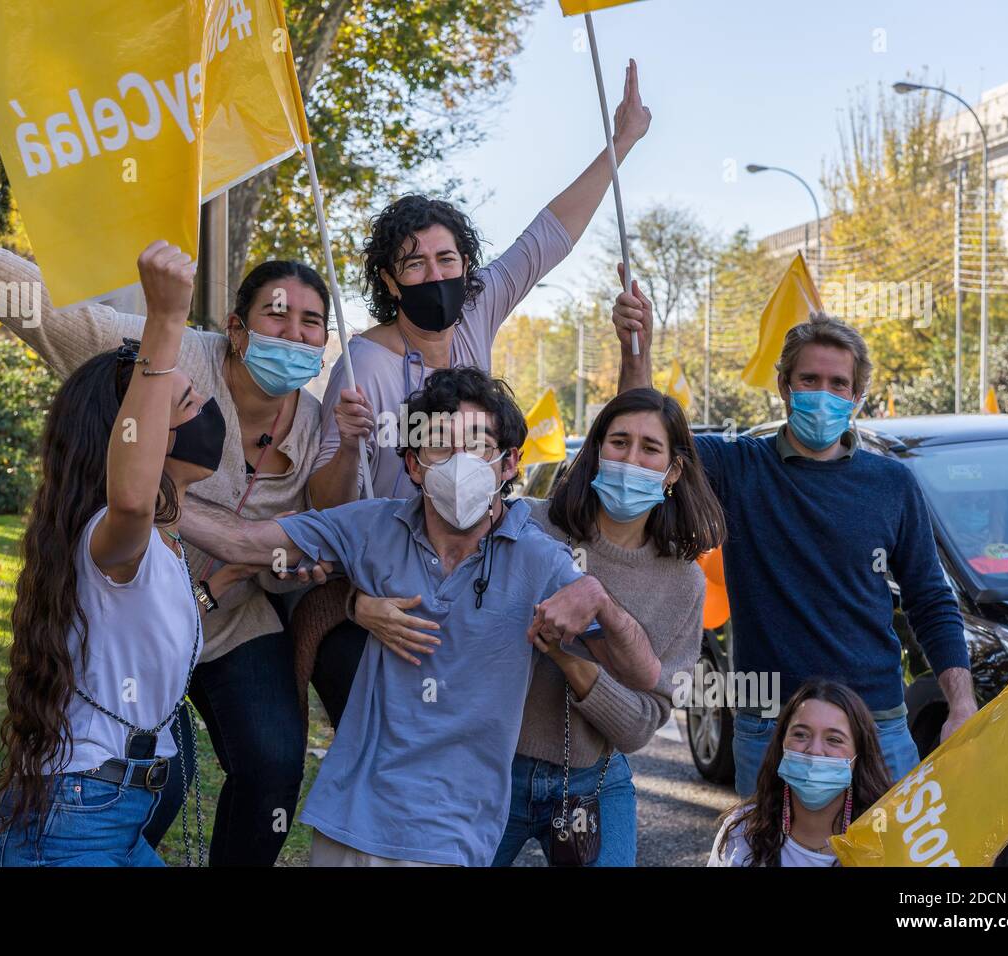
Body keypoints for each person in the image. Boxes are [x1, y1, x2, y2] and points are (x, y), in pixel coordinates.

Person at [0, 164, 373, 865]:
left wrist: (283, 559)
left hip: (218, 617)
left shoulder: (318, 423)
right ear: (234, 328)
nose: (293, 331)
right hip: (123, 628)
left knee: (273, 763)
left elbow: (319, 532)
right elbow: (44, 310)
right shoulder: (162, 360)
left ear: (324, 342)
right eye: (275, 314)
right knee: (154, 785)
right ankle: (76, 841)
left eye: (311, 321)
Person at [298, 60, 655, 728]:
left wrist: (622, 141)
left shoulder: (478, 312)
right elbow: (323, 501)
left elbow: (549, 236)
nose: (434, 274)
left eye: (447, 259)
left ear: (467, 268)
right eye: (414, 263)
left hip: (474, 578)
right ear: (389, 279)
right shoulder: (363, 364)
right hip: (387, 590)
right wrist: (348, 444)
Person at [188, 367, 659, 865]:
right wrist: (152, 499)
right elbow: (242, 542)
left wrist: (601, 601)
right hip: (347, 820)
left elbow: (642, 675)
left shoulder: (542, 561)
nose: (460, 463)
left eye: (478, 445)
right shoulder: (372, 526)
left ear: (508, 463)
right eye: (439, 446)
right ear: (414, 464)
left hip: (449, 835)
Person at [614, 285, 977, 799]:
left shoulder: (892, 484)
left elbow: (931, 600)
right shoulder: (738, 468)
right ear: (784, 386)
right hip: (772, 726)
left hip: (878, 726)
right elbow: (645, 433)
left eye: (838, 384)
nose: (823, 394)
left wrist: (960, 704)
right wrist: (637, 350)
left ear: (856, 396)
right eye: (810, 380)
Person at [351, 388, 725, 866]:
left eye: (650, 448)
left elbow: (638, 725)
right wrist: (357, 604)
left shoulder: (683, 581)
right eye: (618, 442)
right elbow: (424, 568)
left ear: (673, 471)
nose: (630, 459)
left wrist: (569, 658)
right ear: (594, 452)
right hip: (487, 768)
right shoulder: (528, 523)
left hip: (594, 781)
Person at [0, 241, 223, 865]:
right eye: (185, 403)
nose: (205, 413)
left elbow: (140, 628)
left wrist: (225, 582)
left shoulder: (153, 551)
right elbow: (134, 500)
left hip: (113, 812)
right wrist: (163, 322)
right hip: (75, 817)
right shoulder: (111, 534)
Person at [708, 679, 892, 867]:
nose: (814, 750)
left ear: (859, 755)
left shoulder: (885, 836)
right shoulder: (743, 832)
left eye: (834, 739)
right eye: (800, 734)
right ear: (781, 744)